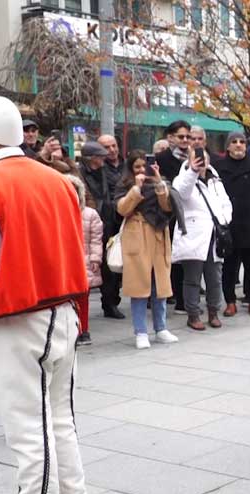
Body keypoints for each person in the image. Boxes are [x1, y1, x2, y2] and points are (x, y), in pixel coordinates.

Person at [0, 96, 98, 494]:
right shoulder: (61, 182)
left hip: (16, 315)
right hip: (62, 308)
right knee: (59, 415)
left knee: (26, 423)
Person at [115, 151, 180, 349]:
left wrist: (159, 181)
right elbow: (122, 209)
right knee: (139, 287)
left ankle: (161, 329)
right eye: (138, 167)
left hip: (158, 235)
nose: (143, 170)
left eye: (146, 166)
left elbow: (168, 207)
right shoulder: (124, 185)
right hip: (137, 235)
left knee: (160, 287)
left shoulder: (160, 183)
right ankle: (141, 332)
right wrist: (136, 188)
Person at [172, 127, 232, 331]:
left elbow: (226, 203)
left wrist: (224, 220)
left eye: (203, 159)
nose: (201, 162)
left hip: (215, 235)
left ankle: (214, 311)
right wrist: (192, 171)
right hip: (194, 236)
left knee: (214, 278)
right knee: (192, 279)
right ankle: (193, 314)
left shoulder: (216, 179)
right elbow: (182, 193)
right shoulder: (183, 178)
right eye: (197, 159)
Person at [213, 131, 250, 319]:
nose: (238, 145)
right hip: (229, 225)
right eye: (234, 142)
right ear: (228, 146)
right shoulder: (219, 167)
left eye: (242, 142)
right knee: (229, 266)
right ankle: (230, 301)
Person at [80, 140, 124, 319]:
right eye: (100, 157)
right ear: (91, 158)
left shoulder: (105, 172)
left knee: (110, 267)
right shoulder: (80, 172)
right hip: (89, 223)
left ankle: (110, 303)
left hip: (107, 221)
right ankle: (83, 309)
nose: (103, 161)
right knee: (89, 266)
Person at [156, 120, 192, 315]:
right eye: (181, 136)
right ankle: (176, 296)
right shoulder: (161, 158)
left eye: (187, 136)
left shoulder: (195, 158)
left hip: (193, 213)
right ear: (170, 137)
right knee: (175, 257)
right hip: (171, 215)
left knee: (190, 257)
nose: (185, 140)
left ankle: (187, 297)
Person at [74, 174, 102, 347]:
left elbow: (96, 239)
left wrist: (95, 258)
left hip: (83, 259)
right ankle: (72, 330)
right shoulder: (57, 213)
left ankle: (84, 330)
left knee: (83, 298)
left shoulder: (90, 214)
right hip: (66, 261)